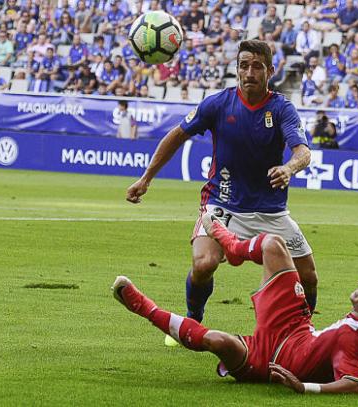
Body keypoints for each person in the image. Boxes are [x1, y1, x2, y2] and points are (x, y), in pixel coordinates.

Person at [126, 40, 317, 346]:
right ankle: (193, 318)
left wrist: (289, 168)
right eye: (243, 66)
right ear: (237, 69)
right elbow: (176, 136)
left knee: (308, 277)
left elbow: (303, 151)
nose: (249, 72)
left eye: (257, 66)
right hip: (222, 206)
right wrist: (146, 178)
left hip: (271, 211)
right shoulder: (217, 104)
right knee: (203, 264)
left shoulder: (282, 108)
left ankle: (303, 335)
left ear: (270, 71)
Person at [112, 214, 358, 393]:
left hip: (272, 361)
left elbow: (354, 383)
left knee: (218, 341)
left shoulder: (353, 339)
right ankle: (231, 245)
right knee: (273, 244)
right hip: (296, 329)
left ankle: (141, 306)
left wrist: (304, 387)